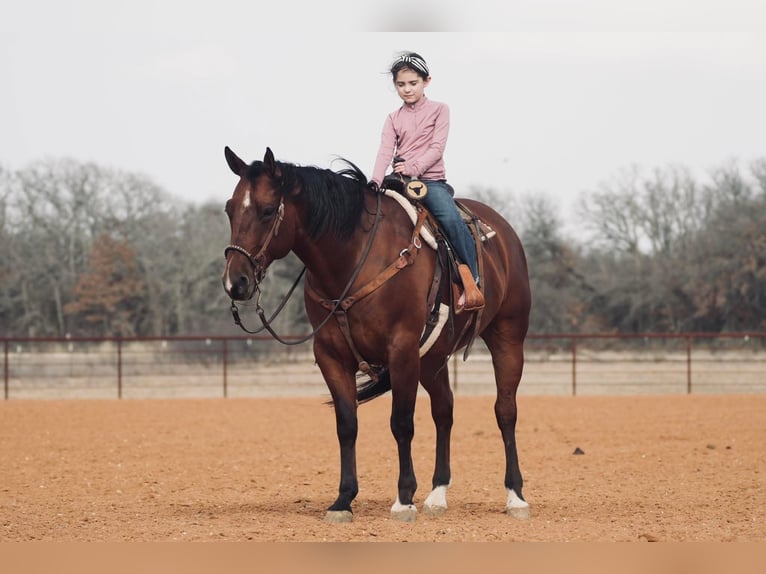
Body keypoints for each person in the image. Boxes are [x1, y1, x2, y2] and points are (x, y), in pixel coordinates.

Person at [371, 51, 484, 312]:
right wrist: (375, 180)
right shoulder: (392, 118)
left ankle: (472, 282)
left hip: (429, 182)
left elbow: (437, 148)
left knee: (451, 221)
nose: (407, 89)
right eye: (401, 85)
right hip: (398, 180)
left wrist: (412, 167)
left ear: (426, 81)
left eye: (413, 83)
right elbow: (385, 151)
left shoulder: (440, 110)